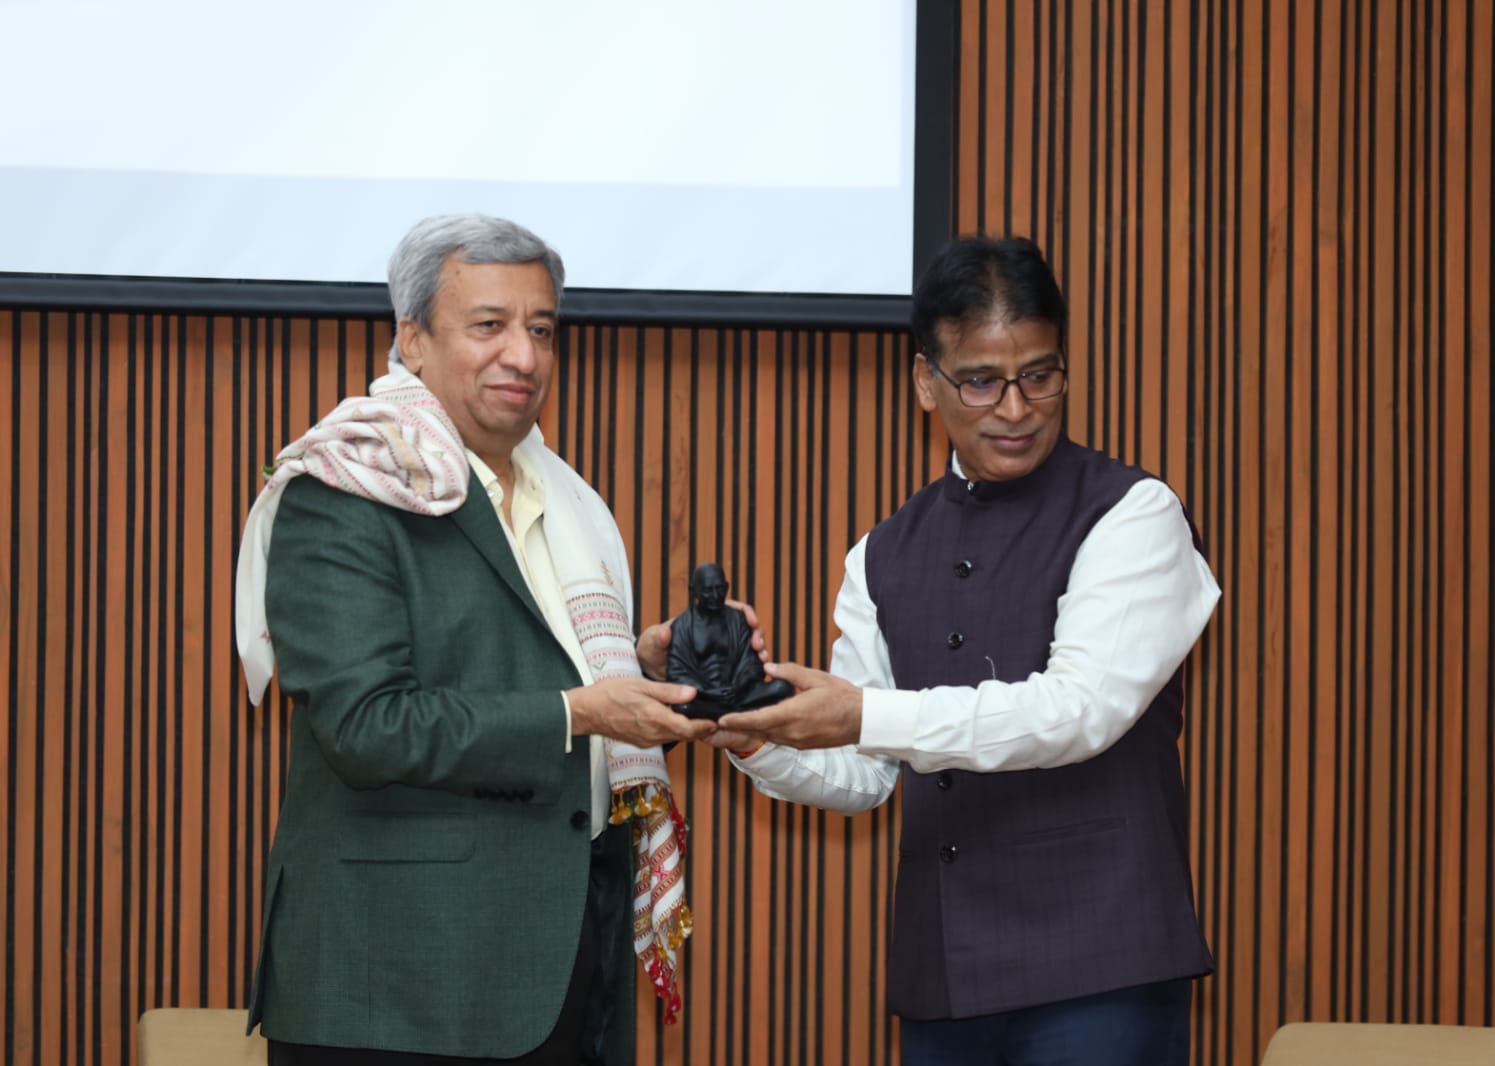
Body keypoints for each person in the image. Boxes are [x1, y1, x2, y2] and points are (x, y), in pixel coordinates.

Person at [710, 235, 1221, 1066]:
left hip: (1102, 970)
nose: (1015, 409)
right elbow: (864, 776)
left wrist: (863, 716)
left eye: (1039, 375)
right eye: (981, 381)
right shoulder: (881, 553)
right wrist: (755, 732)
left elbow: (1078, 711)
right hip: (945, 975)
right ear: (926, 381)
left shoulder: (1134, 513)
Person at [232, 214, 726, 1065]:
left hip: (565, 965)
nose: (524, 356)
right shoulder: (349, 486)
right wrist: (579, 712)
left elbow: (548, 671)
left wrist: (646, 665)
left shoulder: (564, 495)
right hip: (396, 989)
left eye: (542, 330)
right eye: (489, 325)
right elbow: (364, 727)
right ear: (413, 340)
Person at [667, 562, 793, 719]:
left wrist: (739, 687)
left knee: (782, 687)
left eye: (719, 589)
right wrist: (707, 691)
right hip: (704, 697)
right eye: (707, 590)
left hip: (739, 693)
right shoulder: (682, 626)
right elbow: (676, 671)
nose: (715, 596)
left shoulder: (738, 620)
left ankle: (724, 713)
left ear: (727, 588)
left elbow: (752, 664)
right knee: (683, 706)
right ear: (693, 591)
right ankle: (735, 712)